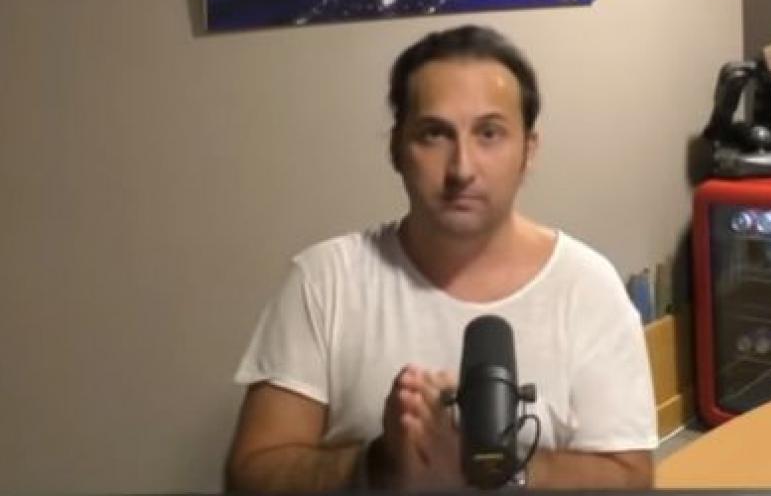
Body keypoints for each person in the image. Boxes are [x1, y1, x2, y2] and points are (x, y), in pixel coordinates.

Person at [224, 25, 657, 492]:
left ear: (528, 151)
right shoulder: (325, 280)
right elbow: (249, 475)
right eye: (434, 134)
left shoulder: (588, 288)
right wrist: (381, 462)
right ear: (396, 148)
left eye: (489, 133)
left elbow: (631, 478)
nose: (462, 168)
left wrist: (500, 465)